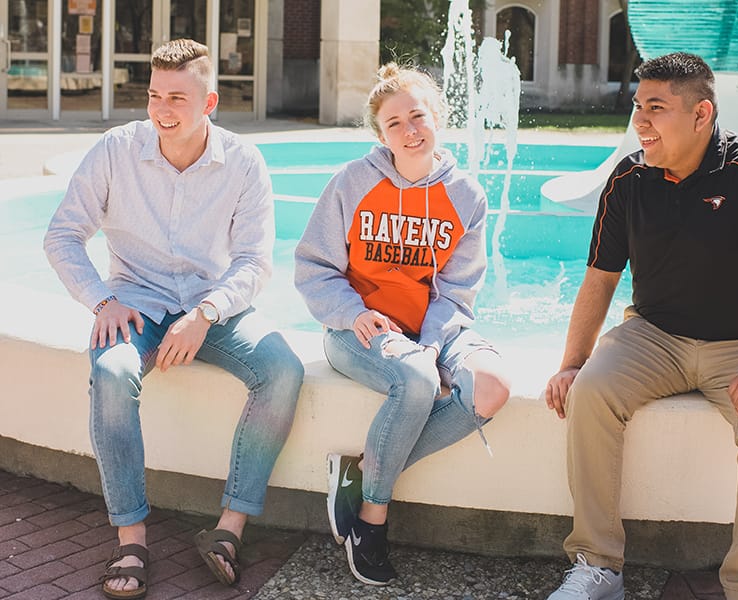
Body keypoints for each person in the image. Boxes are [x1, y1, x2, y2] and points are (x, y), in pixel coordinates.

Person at [43, 39, 304, 599]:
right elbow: (63, 235)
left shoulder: (244, 162)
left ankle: (228, 531)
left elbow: (256, 261)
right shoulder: (116, 150)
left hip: (215, 307)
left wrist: (206, 313)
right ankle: (132, 539)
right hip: (134, 303)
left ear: (208, 103)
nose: (162, 109)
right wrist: (100, 300)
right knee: (112, 375)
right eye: (155, 95)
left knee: (282, 369)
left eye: (177, 98)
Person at [544, 51, 738, 600]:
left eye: (656, 108)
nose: (640, 121)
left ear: (701, 114)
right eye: (638, 106)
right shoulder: (631, 177)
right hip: (653, 336)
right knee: (589, 393)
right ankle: (597, 567)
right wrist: (571, 363)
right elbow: (600, 278)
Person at [294, 62, 511, 586]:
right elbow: (312, 269)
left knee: (492, 389)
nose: (410, 131)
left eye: (418, 117)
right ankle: (372, 520)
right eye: (395, 124)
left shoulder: (467, 196)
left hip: (435, 330)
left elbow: (457, 292)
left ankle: (365, 469)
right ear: (381, 135)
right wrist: (353, 313)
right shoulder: (352, 182)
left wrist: (431, 346)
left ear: (438, 116)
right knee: (414, 380)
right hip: (359, 330)